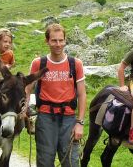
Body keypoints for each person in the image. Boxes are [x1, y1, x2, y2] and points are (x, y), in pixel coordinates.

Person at [25, 23, 86, 167]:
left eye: (61, 40)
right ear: (47, 41)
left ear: (65, 40)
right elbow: (27, 89)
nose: (58, 44)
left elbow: (82, 94)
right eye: (54, 40)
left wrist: (80, 123)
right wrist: (24, 109)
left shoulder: (75, 64)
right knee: (45, 162)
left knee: (71, 162)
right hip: (45, 118)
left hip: (69, 119)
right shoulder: (39, 63)